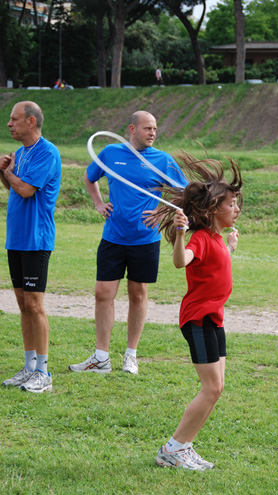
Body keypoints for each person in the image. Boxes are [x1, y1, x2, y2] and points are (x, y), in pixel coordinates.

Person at [69, 111, 188, 375]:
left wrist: (162, 213)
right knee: (103, 294)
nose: (153, 133)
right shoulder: (111, 153)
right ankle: (101, 358)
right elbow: (90, 177)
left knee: (138, 295)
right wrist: (99, 203)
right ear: (132, 129)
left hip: (145, 240)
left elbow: (185, 193)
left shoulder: (162, 160)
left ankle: (131, 356)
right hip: (113, 237)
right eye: (147, 128)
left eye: (155, 128)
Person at [152, 153, 242, 470]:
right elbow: (181, 261)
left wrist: (230, 246)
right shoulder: (201, 238)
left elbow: (220, 262)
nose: (237, 208)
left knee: (217, 388)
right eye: (231, 204)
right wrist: (179, 234)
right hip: (198, 319)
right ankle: (173, 449)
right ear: (215, 208)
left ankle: (183, 447)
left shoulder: (217, 239)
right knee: (212, 387)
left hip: (214, 319)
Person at [0, 101, 61, 392]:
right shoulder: (22, 153)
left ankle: (44, 374)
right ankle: (28, 367)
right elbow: (14, 186)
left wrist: (9, 174)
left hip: (36, 239)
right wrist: (4, 172)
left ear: (31, 121)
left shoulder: (47, 152)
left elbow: (25, 189)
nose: (10, 124)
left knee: (35, 305)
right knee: (23, 305)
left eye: (15, 120)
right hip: (17, 239)